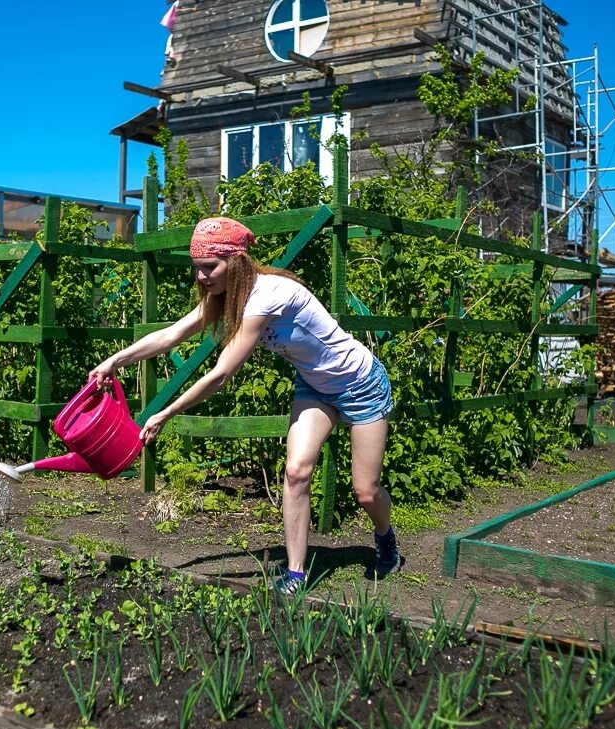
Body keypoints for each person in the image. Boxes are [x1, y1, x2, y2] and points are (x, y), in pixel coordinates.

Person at [89, 216, 403, 592]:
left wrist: (168, 412)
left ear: (234, 262)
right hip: (315, 387)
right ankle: (297, 573)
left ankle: (385, 536)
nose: (202, 277)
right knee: (297, 472)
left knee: (365, 491)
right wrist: (114, 361)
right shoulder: (230, 297)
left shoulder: (266, 296)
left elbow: (221, 375)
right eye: (197, 269)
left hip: (359, 383)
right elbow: (173, 334)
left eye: (210, 267)